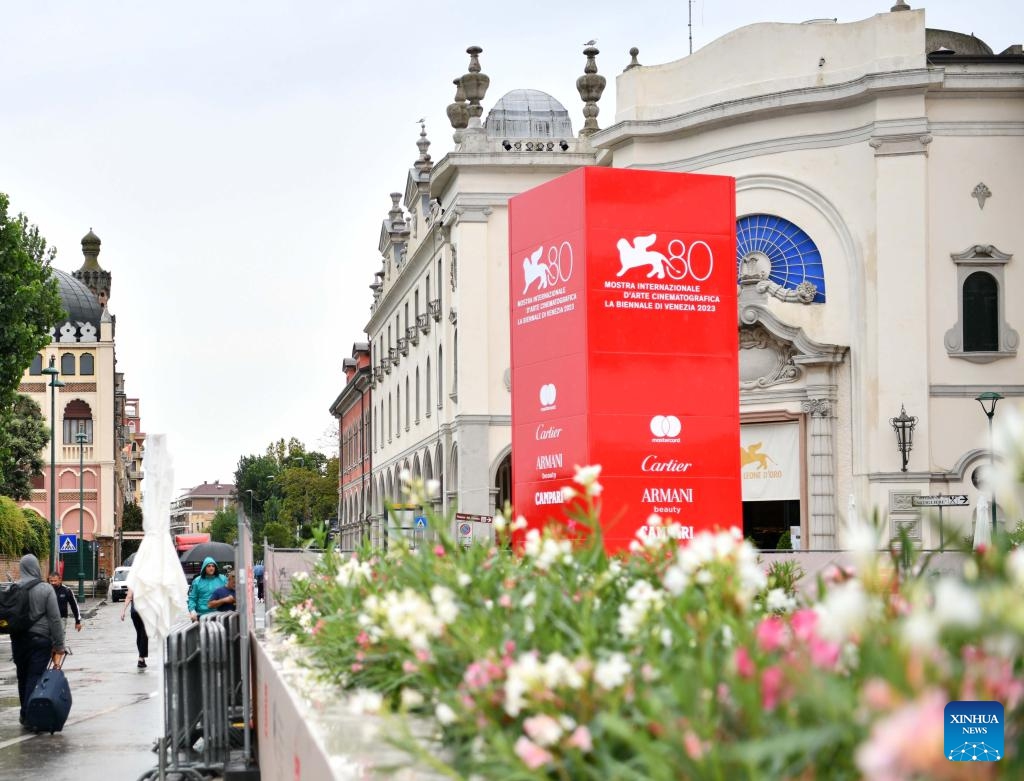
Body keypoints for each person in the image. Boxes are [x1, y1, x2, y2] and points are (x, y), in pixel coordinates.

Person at [11, 554, 67, 727]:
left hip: (18, 640)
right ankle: (28, 715)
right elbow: (55, 619)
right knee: (34, 677)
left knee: (22, 676)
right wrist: (59, 645)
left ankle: (24, 712)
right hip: (40, 640)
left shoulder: (14, 588)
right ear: (36, 567)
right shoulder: (46, 589)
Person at [187, 557, 227, 621]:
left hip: (219, 615)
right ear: (204, 568)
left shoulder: (222, 579)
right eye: (208, 566)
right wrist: (192, 610)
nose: (211, 568)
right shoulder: (197, 581)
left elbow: (229, 593)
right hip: (201, 615)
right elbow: (192, 598)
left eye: (213, 566)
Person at [120, 587, 149, 668]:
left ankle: (141, 658)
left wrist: (123, 611)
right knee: (144, 634)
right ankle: (141, 658)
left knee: (140, 634)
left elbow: (129, 597)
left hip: (134, 612)